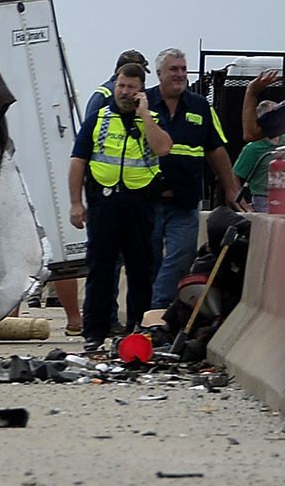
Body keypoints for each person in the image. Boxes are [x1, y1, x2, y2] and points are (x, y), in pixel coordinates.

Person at [69, 61, 172, 349]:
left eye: (132, 87)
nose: (125, 92)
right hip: (104, 201)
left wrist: (144, 115)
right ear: (115, 84)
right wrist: (76, 203)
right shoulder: (98, 119)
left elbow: (163, 148)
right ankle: (94, 332)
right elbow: (78, 161)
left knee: (141, 269)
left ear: (141, 91)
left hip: (140, 203)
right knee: (100, 268)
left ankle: (137, 329)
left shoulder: (152, 118)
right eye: (121, 86)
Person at [145, 48, 245, 311]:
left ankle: (160, 310)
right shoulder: (143, 103)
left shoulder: (200, 106)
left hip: (185, 200)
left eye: (183, 69)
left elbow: (216, 149)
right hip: (146, 200)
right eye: (173, 69)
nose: (180, 74)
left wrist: (232, 190)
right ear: (159, 74)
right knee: (147, 259)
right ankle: (142, 313)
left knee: (181, 256)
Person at [234, 100, 285, 212]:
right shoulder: (253, 148)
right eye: (275, 114)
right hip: (264, 200)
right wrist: (242, 202)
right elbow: (235, 174)